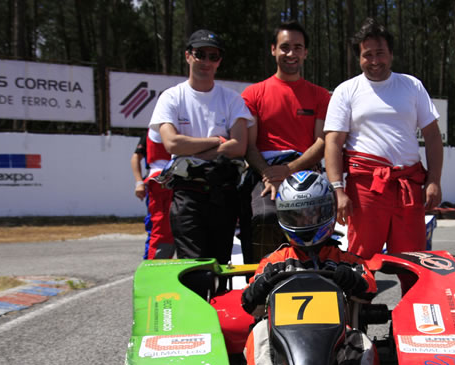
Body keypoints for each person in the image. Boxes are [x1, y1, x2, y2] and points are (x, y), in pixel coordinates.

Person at [240, 171, 379, 365]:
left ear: (327, 212)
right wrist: (264, 283)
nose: (305, 222)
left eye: (312, 214)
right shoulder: (275, 261)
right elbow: (248, 303)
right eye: (297, 216)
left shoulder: (344, 260)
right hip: (282, 336)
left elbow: (369, 291)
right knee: (259, 333)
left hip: (334, 334)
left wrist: (348, 277)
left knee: (360, 341)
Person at [324, 17, 443, 262]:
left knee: (413, 263)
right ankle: (360, 302)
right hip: (365, 189)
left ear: (391, 54)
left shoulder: (412, 86)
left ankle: (412, 301)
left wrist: (434, 181)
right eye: (367, 54)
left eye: (380, 53)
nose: (375, 61)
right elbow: (333, 143)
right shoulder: (346, 90)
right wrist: (338, 190)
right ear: (359, 57)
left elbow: (432, 136)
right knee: (361, 264)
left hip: (408, 187)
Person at [148, 29, 252, 263]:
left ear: (219, 61)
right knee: (193, 268)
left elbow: (239, 147)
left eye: (213, 56)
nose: (206, 61)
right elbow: (172, 143)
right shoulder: (171, 97)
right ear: (188, 56)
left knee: (220, 267)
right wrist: (217, 141)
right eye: (200, 54)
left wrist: (192, 148)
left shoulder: (232, 99)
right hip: (188, 195)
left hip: (223, 194)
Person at [240, 21, 332, 264]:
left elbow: (322, 142)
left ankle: (314, 278)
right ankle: (260, 283)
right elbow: (249, 146)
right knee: (265, 218)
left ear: (306, 52)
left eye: (297, 47)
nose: (291, 53)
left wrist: (288, 170)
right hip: (264, 174)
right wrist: (269, 175)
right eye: (285, 47)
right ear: (273, 50)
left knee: (314, 223)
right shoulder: (252, 94)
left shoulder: (321, 95)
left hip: (304, 172)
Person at [131, 129, 175, 260]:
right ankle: (152, 264)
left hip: (177, 183)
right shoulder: (152, 132)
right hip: (159, 184)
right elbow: (135, 157)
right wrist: (139, 182)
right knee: (158, 226)